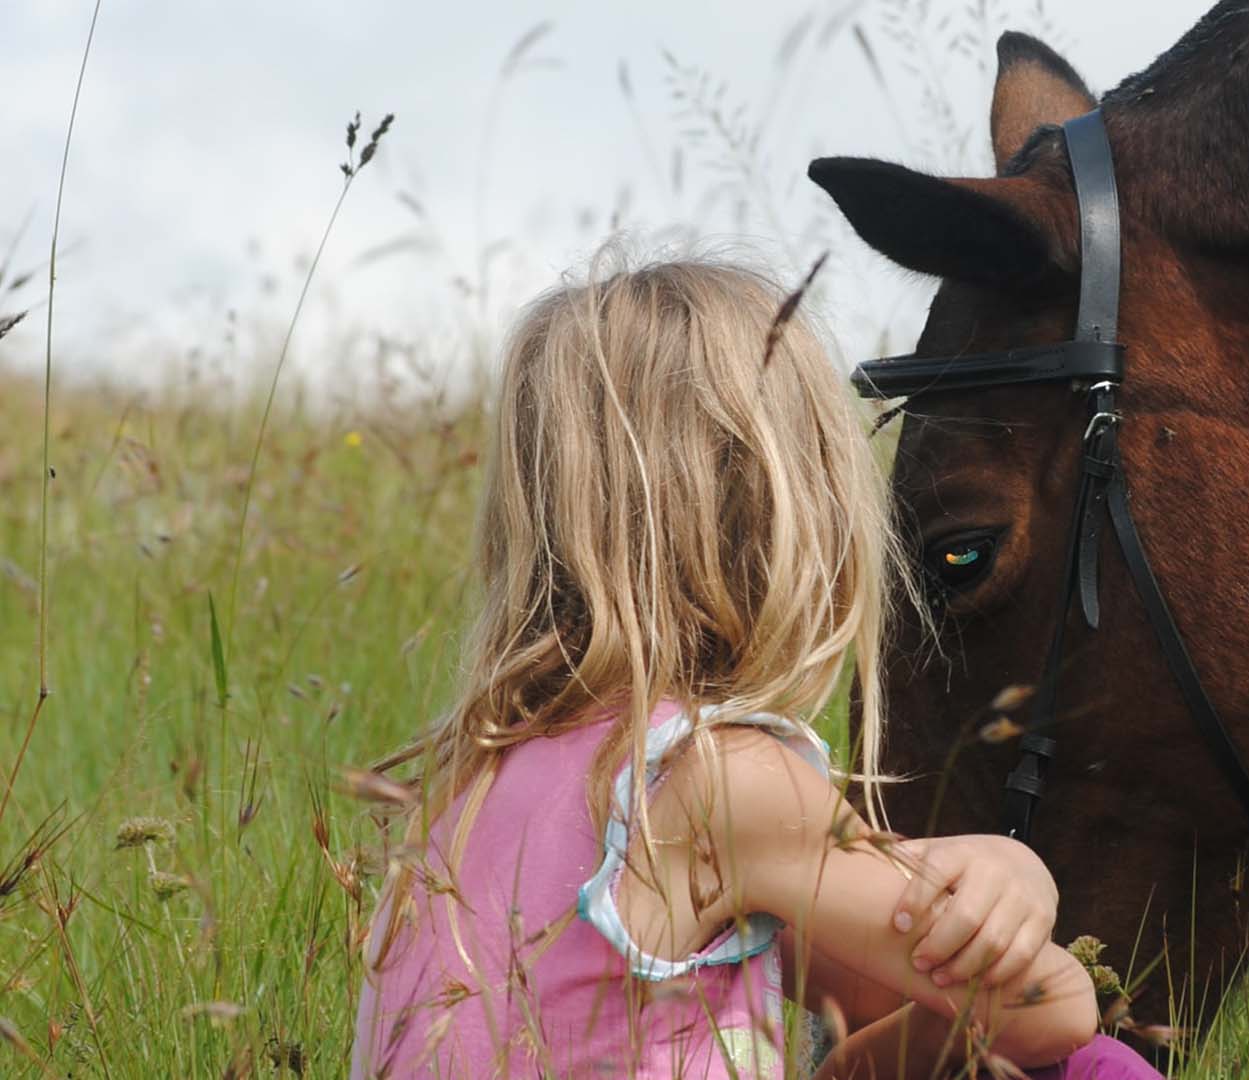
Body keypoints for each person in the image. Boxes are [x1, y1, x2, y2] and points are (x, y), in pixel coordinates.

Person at [351, 251, 1162, 1079]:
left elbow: (865, 984)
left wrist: (991, 872)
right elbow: (1046, 1010)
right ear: (789, 512)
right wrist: (1025, 882)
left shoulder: (474, 785)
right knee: (1100, 1070)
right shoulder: (716, 778)